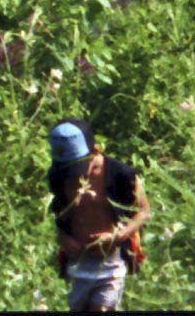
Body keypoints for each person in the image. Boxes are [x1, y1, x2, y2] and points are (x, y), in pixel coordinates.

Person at [46, 120, 149, 313]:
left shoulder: (121, 174)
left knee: (101, 308)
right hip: (77, 263)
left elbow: (144, 211)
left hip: (110, 262)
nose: (75, 176)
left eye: (77, 166)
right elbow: (59, 213)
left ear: (95, 151)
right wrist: (64, 238)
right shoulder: (59, 176)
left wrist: (119, 235)